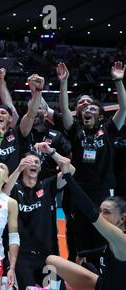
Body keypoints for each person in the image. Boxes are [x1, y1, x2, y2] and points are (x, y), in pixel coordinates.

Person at [57, 61, 126, 270]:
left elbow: (124, 107)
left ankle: (110, 267)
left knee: (105, 230)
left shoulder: (108, 130)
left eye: (93, 108)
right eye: (85, 108)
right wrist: (64, 82)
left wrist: (118, 80)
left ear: (101, 115)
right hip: (80, 191)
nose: (87, 110)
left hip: (103, 191)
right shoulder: (75, 131)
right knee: (82, 234)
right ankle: (86, 271)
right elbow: (63, 109)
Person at [30, 161, 126, 290]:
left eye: (106, 212)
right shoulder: (115, 239)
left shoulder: (122, 240)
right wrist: (82, 254)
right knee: (52, 260)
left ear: (123, 219)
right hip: (104, 288)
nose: (102, 216)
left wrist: (68, 176)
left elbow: (89, 209)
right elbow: (104, 250)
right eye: (101, 211)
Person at [3, 147, 75, 290]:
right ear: (22, 165)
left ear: (41, 167)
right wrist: (17, 169)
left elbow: (71, 170)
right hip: (23, 256)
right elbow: (3, 194)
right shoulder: (14, 188)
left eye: (36, 162)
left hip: (48, 255)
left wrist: (51, 151)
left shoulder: (47, 185)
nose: (33, 164)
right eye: (29, 162)